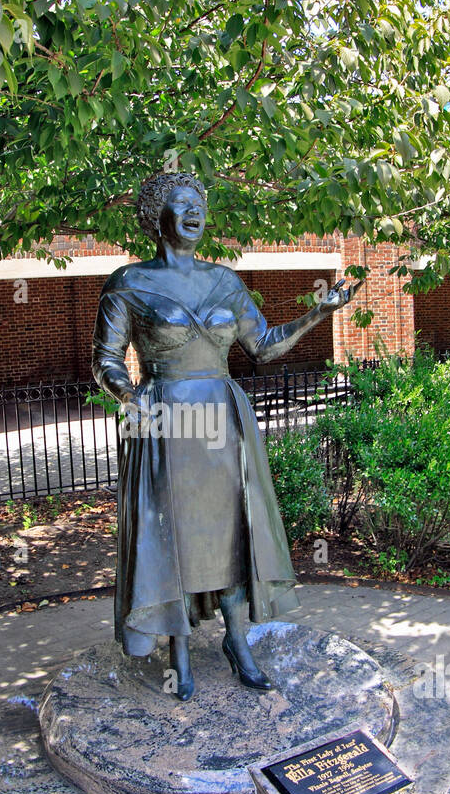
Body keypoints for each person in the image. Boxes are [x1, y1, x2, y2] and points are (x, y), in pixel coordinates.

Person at [91, 172, 357, 700]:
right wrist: (128, 394)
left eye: (199, 204)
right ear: (156, 216)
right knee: (174, 532)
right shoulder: (128, 282)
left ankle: (238, 640)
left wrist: (317, 315)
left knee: (233, 528)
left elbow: (264, 346)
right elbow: (104, 360)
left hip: (222, 417)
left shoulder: (226, 282)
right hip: (166, 417)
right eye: (181, 204)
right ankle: (180, 650)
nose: (194, 212)